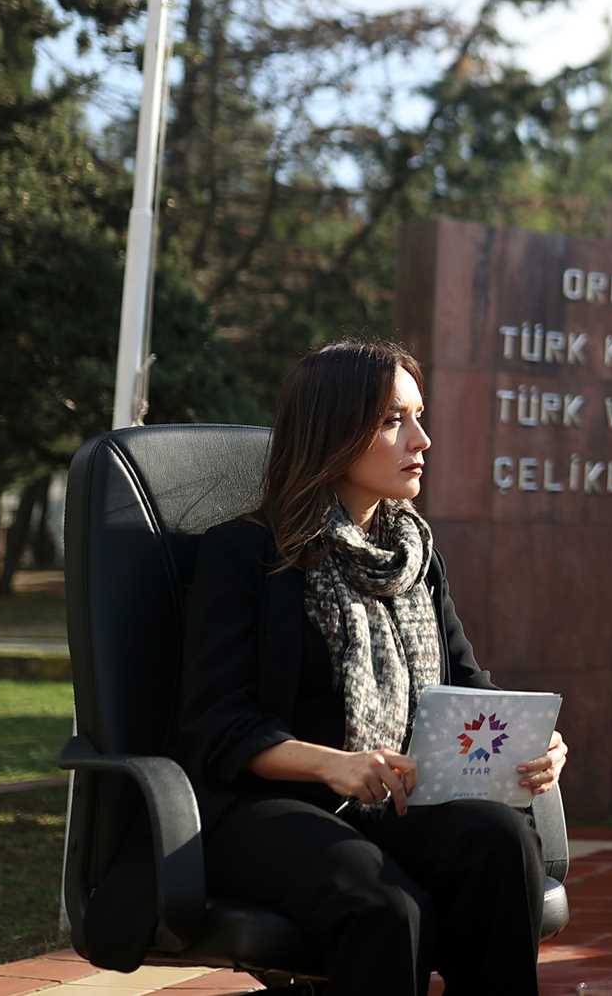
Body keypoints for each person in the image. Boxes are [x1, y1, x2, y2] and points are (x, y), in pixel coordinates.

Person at [176, 339, 567, 996]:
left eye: (418, 416)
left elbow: (464, 685)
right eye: (394, 420)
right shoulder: (245, 554)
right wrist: (333, 761)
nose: (423, 438)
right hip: (264, 807)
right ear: (335, 431)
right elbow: (218, 723)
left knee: (498, 840)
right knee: (391, 908)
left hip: (388, 797)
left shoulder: (412, 555)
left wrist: (530, 741)